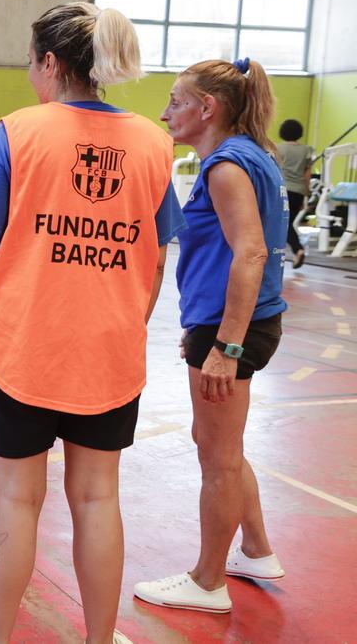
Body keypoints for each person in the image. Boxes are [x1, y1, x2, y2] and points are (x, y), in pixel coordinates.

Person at [0, 3, 184, 644]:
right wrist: (124, 323)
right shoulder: (155, 143)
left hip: (21, 350)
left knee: (18, 500)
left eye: (31, 61)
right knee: (98, 498)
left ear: (50, 62)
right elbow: (156, 259)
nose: (30, 73)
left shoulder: (18, 132)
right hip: (109, 353)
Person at [134, 57, 288, 614]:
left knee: (218, 457)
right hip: (228, 322)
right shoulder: (252, 156)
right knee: (219, 445)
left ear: (208, 108)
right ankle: (256, 548)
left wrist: (224, 346)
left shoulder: (226, 166)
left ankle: (207, 581)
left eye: (175, 101)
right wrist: (206, 331)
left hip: (235, 330)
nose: (165, 112)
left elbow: (251, 252)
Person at [276, 119, 312, 269]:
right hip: (298, 191)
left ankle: (297, 249)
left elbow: (274, 170)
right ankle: (297, 250)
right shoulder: (306, 150)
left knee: (281, 223)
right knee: (287, 223)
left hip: (282, 190)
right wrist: (306, 194)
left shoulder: (278, 148)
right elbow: (307, 174)